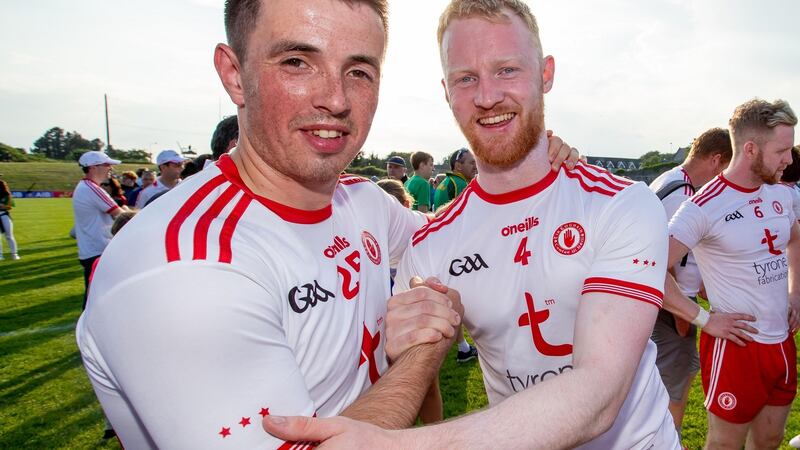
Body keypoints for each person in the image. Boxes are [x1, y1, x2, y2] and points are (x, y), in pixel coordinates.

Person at [76, 1, 578, 448]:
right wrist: (422, 355)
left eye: (359, 71)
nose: (335, 99)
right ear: (234, 74)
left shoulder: (364, 204)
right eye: (297, 62)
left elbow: (465, 232)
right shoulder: (181, 264)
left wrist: (530, 165)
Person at [264, 1, 684, 448]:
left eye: (507, 70)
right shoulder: (432, 244)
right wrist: (412, 351)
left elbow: (600, 393)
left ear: (545, 74)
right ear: (447, 91)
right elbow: (418, 393)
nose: (487, 96)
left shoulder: (619, 204)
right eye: (467, 78)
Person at [662, 99, 798, 449]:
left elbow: (795, 237)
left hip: (781, 342)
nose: (790, 159)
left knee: (770, 439)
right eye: (782, 150)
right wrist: (704, 319)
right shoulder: (703, 205)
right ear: (750, 149)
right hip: (737, 348)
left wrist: (794, 292)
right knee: (725, 444)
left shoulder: (780, 194)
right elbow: (648, 270)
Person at [647, 127, 732, 438]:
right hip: (670, 306)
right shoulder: (682, 195)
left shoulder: (670, 179)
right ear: (716, 160)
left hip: (666, 304)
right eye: (725, 171)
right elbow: (662, 261)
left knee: (671, 373)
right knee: (675, 376)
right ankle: (669, 440)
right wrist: (685, 316)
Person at [72, 151, 125, 309]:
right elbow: (120, 216)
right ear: (93, 167)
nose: (110, 168)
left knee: (95, 296)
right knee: (95, 300)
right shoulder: (92, 188)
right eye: (107, 165)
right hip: (98, 249)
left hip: (92, 249)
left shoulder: (86, 187)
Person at [433, 147, 477, 212]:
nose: (476, 167)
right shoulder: (460, 183)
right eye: (472, 163)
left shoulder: (445, 181)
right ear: (458, 166)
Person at [0, 180, 19, 260]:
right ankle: (0, 255)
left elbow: (10, 207)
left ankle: (14, 254)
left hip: (4, 215)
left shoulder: (7, 195)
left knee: (9, 236)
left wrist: (1, 206)